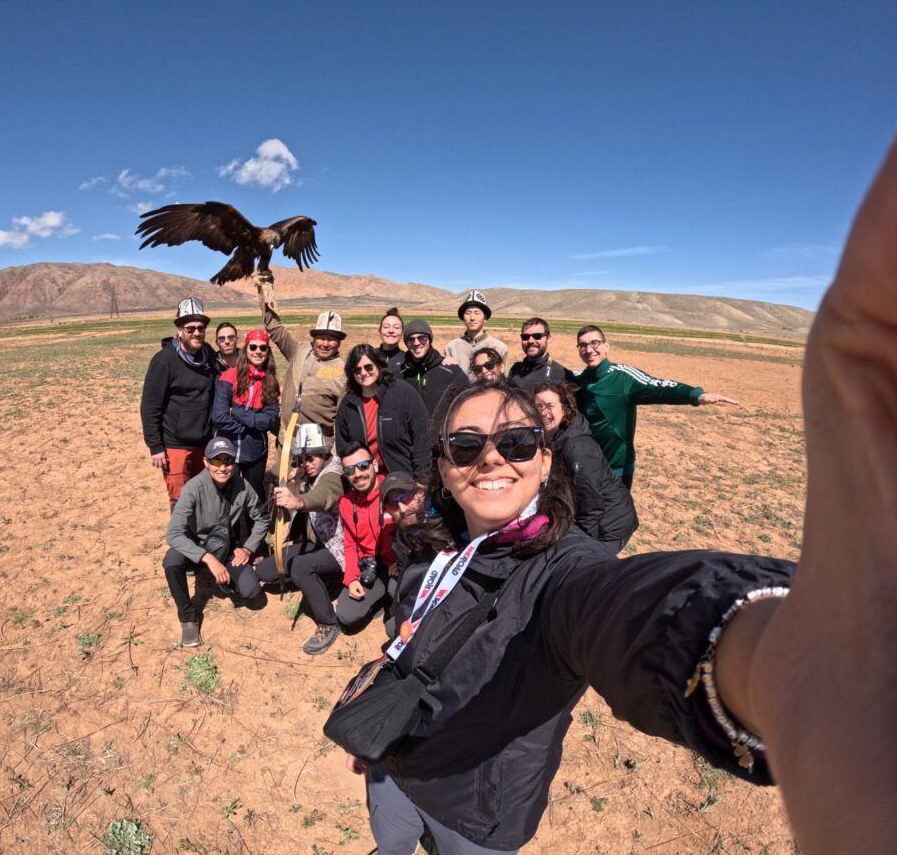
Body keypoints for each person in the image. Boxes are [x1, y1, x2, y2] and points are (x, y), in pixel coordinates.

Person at [338, 136, 897, 855]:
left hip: (476, 814)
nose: (491, 461)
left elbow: (630, 612)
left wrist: (782, 653)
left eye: (514, 442)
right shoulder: (434, 544)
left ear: (546, 460)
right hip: (390, 771)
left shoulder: (559, 575)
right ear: (443, 467)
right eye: (467, 447)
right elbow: (416, 631)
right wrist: (381, 680)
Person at [572, 324, 738, 489]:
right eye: (583, 345)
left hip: (616, 469)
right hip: (585, 466)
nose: (589, 350)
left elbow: (658, 387)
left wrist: (695, 395)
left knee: (617, 516)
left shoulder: (624, 377)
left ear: (606, 345)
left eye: (595, 343)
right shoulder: (575, 380)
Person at [163, 437, 269, 646]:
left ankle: (225, 580)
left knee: (251, 592)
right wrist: (208, 559)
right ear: (206, 462)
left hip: (227, 546)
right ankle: (188, 618)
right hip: (197, 546)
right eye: (217, 461)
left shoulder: (242, 486)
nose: (223, 467)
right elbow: (173, 533)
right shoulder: (193, 488)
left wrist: (248, 548)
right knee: (172, 561)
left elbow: (262, 519)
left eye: (228, 461)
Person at [260, 424, 347, 655]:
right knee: (267, 572)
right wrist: (295, 482)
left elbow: (324, 497)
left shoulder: (333, 474)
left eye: (311, 458)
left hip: (338, 548)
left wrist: (298, 501)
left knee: (300, 567)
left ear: (324, 454)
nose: (306, 463)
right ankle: (319, 580)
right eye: (301, 458)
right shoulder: (307, 474)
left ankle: (328, 623)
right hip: (316, 541)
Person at [535, 381, 637, 552]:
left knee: (593, 570)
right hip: (585, 513)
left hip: (609, 524)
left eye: (550, 405)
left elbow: (592, 504)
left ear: (565, 408)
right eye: (538, 406)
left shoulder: (578, 447)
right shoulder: (552, 437)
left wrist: (583, 546)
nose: (543, 412)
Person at [141, 297, 218, 511]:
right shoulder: (164, 361)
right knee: (181, 501)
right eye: (190, 328)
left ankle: (204, 539)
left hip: (203, 442)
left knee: (203, 495)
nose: (196, 333)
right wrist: (155, 446)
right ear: (179, 330)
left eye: (201, 328)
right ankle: (182, 543)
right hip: (175, 445)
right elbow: (150, 407)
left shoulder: (208, 355)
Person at [336, 345, 431, 478]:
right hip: (365, 481)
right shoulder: (348, 404)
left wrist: (422, 478)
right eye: (357, 370)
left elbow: (422, 437)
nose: (363, 373)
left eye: (368, 367)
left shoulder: (402, 392)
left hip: (402, 477)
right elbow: (343, 447)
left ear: (379, 366)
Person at [262, 294, 347, 443]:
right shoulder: (299, 350)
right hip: (287, 439)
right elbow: (275, 329)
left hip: (319, 449)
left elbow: (343, 423)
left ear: (339, 343)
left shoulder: (344, 373)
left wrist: (333, 455)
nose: (325, 344)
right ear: (314, 339)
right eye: (321, 337)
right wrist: (264, 291)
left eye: (332, 339)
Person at [211, 329, 280, 502]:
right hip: (228, 448)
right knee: (227, 496)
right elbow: (219, 417)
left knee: (254, 496)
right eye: (253, 347)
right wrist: (253, 424)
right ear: (246, 349)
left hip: (255, 450)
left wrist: (238, 414)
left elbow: (270, 419)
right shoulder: (228, 377)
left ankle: (254, 529)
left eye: (263, 348)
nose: (258, 351)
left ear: (267, 352)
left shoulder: (270, 381)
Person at [336, 443, 398, 633]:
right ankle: (380, 599)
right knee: (346, 615)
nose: (357, 473)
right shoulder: (346, 503)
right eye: (349, 470)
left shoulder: (393, 491)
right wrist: (351, 579)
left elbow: (414, 534)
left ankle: (390, 600)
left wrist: (403, 560)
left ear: (375, 465)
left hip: (397, 565)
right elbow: (350, 544)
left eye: (363, 466)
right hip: (370, 565)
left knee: (394, 627)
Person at [396, 320, 469, 419]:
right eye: (410, 339)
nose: (416, 343)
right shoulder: (400, 373)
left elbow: (467, 402)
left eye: (422, 338)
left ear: (430, 339)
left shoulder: (450, 371)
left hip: (440, 432)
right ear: (406, 342)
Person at [443, 290, 508, 374]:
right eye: (468, 313)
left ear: (485, 318)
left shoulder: (499, 347)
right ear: (463, 318)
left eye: (477, 313)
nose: (472, 317)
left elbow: (503, 380)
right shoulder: (451, 347)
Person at [507, 317, 567, 391]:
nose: (530, 341)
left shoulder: (560, 373)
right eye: (525, 337)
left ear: (548, 338)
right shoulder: (515, 369)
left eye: (537, 336)